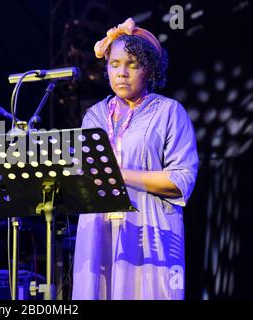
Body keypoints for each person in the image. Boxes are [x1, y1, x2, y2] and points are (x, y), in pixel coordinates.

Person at [72, 18, 199, 300]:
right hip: (98, 232)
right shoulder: (93, 116)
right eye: (114, 64)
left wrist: (117, 172)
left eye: (132, 64)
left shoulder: (169, 112)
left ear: (150, 69)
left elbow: (181, 180)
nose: (122, 73)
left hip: (149, 233)